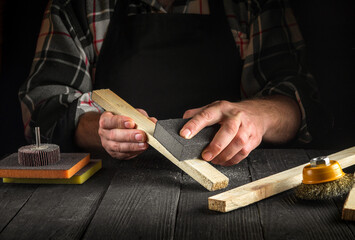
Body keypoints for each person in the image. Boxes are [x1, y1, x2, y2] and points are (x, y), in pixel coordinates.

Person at [19, 0, 328, 166]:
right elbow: (43, 110)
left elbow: (298, 96)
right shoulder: (79, 5)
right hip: (103, 190)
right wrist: (98, 130)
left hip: (232, 183)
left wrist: (256, 118)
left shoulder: (250, 4)